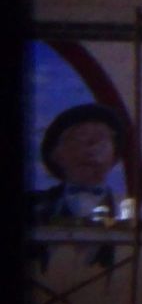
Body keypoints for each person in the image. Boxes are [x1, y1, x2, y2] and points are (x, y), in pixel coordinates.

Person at [29, 103, 131, 271]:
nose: (91, 148)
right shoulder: (30, 205)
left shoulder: (128, 211)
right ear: (56, 154)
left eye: (101, 139)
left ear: (114, 155)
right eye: (78, 138)